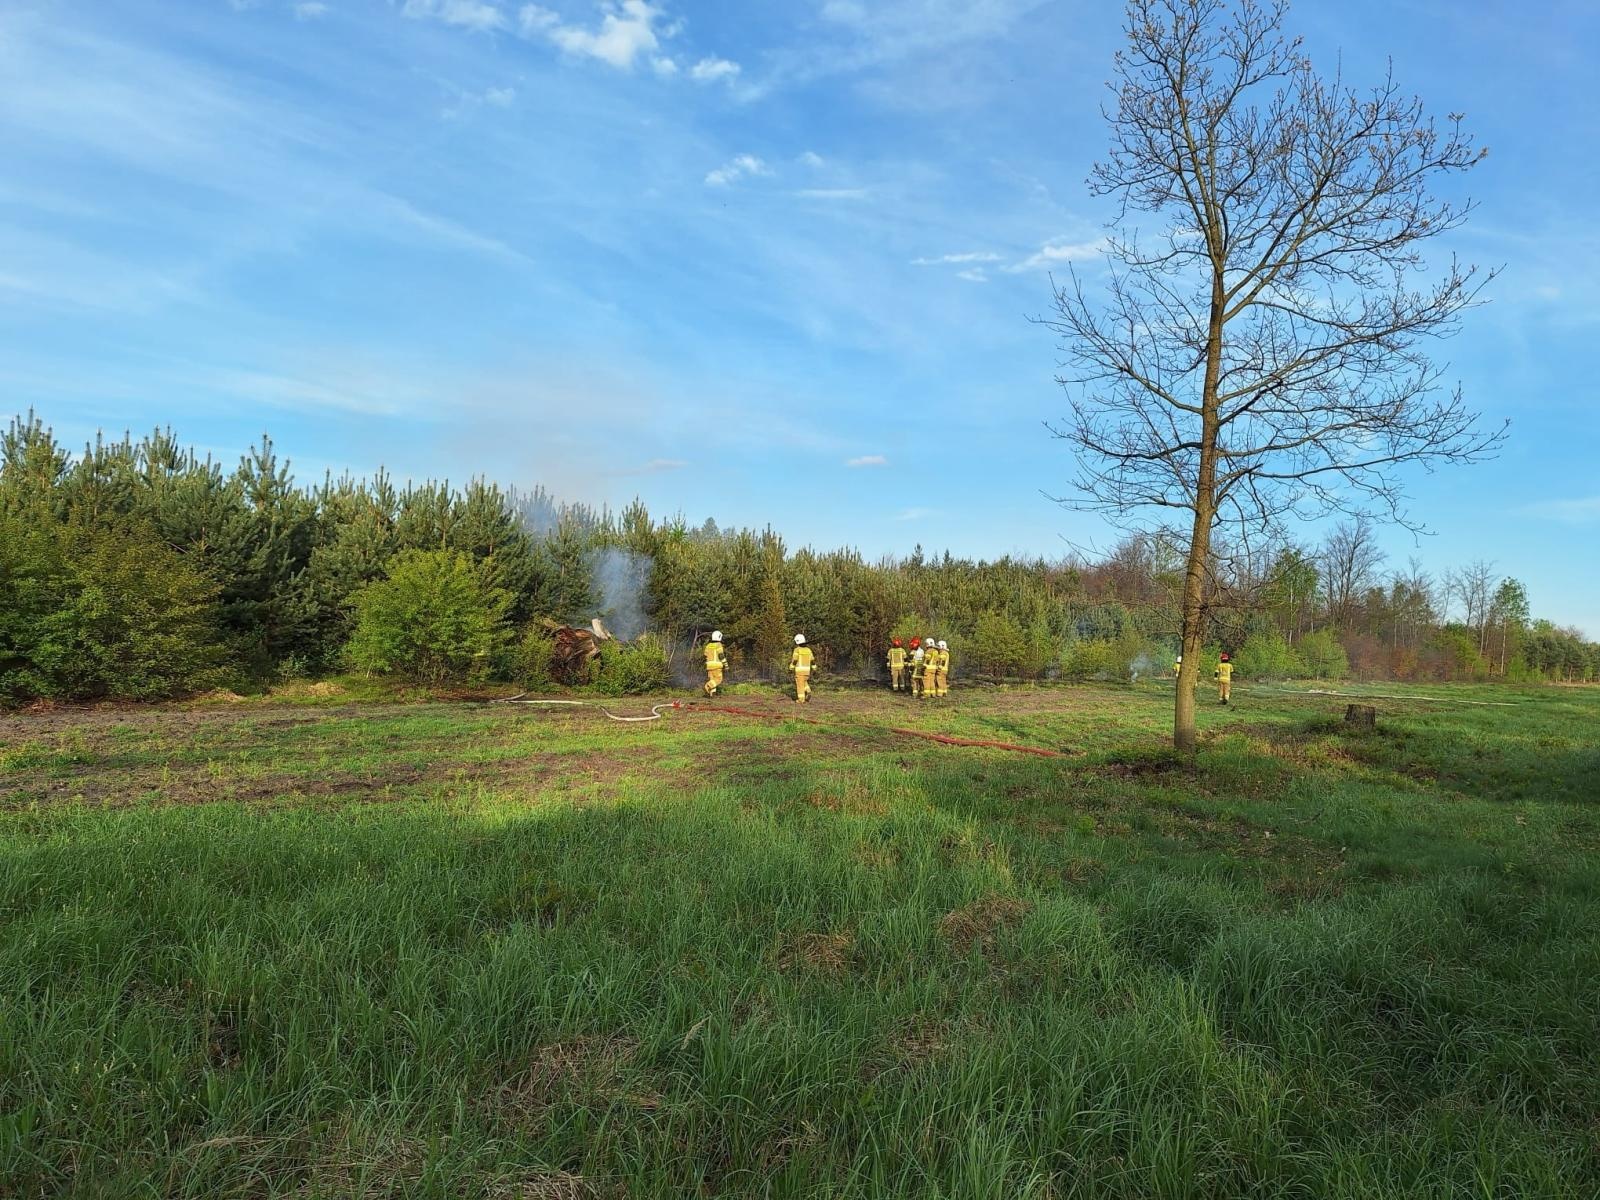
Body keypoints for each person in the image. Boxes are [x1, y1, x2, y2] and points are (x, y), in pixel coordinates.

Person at [790, 633, 814, 703]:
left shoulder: (797, 650)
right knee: (804, 682)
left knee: (800, 685)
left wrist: (791, 667)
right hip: (807, 671)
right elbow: (812, 660)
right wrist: (814, 667)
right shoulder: (808, 650)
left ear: (797, 641)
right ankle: (808, 690)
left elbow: (795, 660)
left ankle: (801, 699)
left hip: (799, 671)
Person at [703, 630, 726, 697]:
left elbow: (705, 656)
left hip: (709, 665)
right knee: (718, 679)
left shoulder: (708, 645)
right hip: (717, 665)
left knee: (712, 679)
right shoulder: (718, 645)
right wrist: (725, 665)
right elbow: (721, 655)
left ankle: (712, 694)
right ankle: (708, 685)